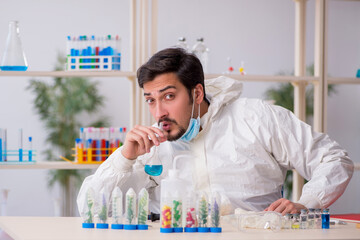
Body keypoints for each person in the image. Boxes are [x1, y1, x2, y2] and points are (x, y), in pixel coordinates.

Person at [77, 48, 354, 216]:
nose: (159, 111)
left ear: (197, 93)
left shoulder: (255, 117)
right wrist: (124, 159)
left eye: (169, 96)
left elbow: (334, 160)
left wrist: (306, 203)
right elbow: (88, 205)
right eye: (151, 100)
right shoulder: (150, 146)